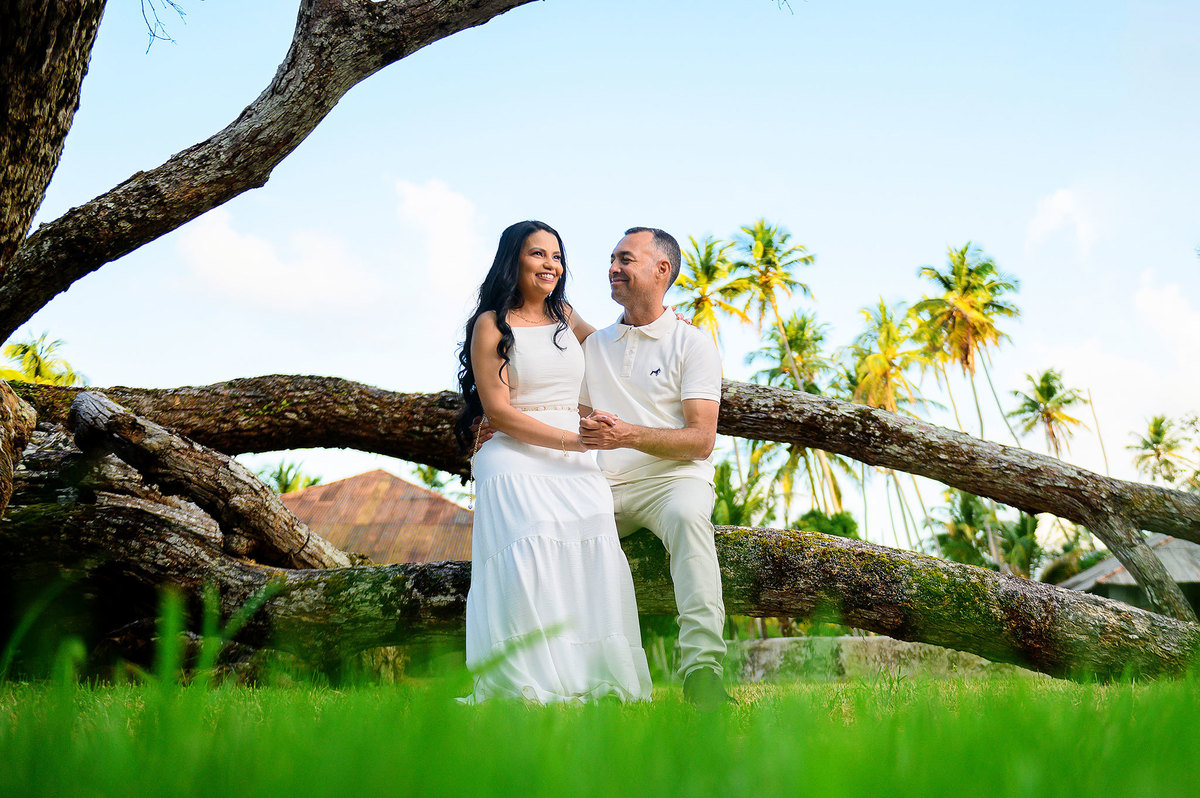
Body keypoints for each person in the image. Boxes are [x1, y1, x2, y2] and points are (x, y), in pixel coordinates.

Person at [454, 220, 652, 704]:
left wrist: (664, 325)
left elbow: (613, 346)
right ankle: (530, 673)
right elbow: (499, 412)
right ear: (513, 260)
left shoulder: (564, 315)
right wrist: (573, 441)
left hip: (574, 452)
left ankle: (592, 673)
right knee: (531, 539)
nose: (551, 264)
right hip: (514, 450)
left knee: (592, 544)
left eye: (557, 256)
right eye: (538, 254)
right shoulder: (490, 324)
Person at [577, 226, 733, 711]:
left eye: (625, 259)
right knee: (558, 529)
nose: (613, 268)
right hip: (604, 484)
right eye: (612, 259)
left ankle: (702, 672)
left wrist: (626, 435)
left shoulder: (693, 343)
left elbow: (701, 441)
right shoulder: (594, 345)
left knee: (688, 518)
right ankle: (578, 674)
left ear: (661, 270)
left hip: (673, 480)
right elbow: (575, 416)